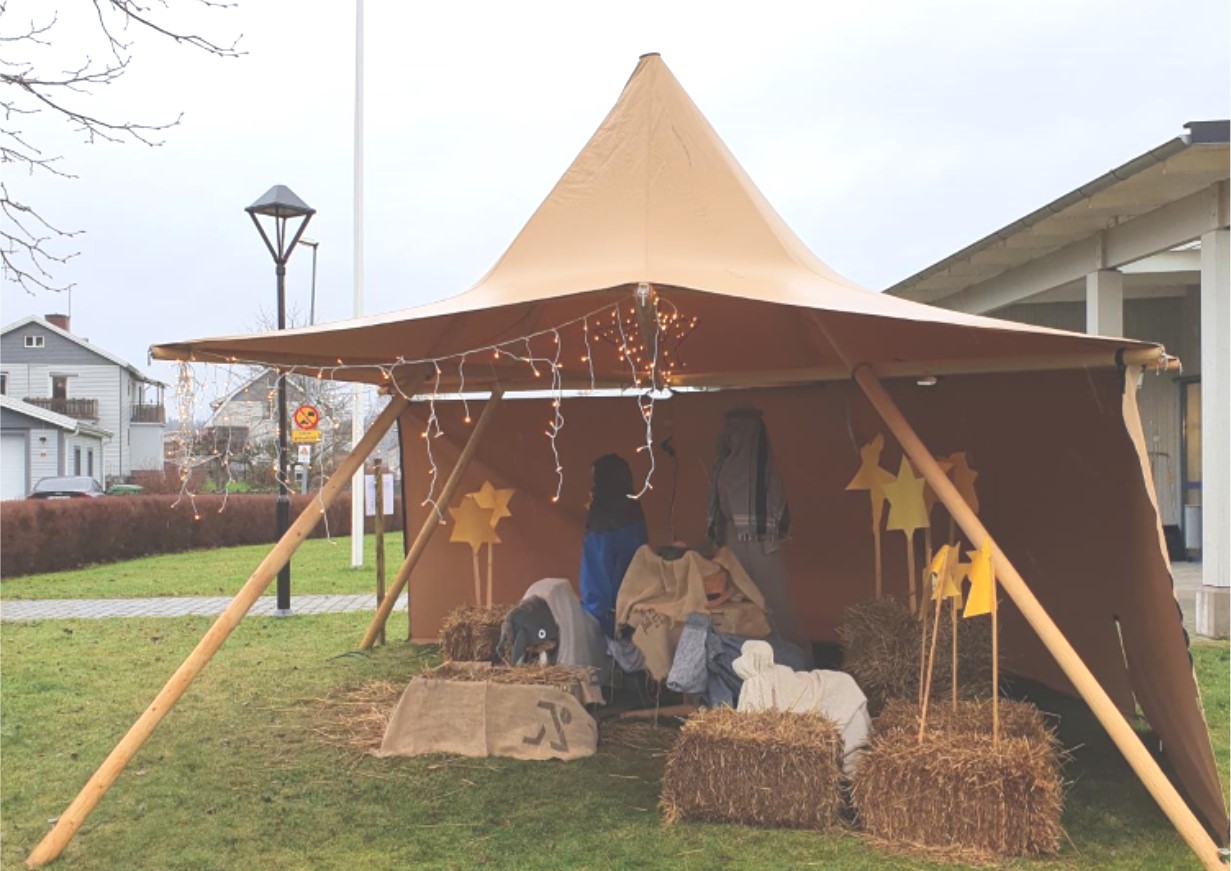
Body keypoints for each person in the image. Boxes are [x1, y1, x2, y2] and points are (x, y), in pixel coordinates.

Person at [706, 408, 801, 645]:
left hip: (759, 539)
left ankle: (785, 651)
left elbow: (772, 502)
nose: (731, 434)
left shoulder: (763, 468)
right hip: (732, 538)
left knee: (770, 598)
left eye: (738, 428)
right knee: (739, 595)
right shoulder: (724, 464)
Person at [579, 454, 647, 638]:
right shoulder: (633, 511)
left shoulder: (601, 521)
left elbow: (596, 584)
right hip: (637, 615)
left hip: (608, 621)